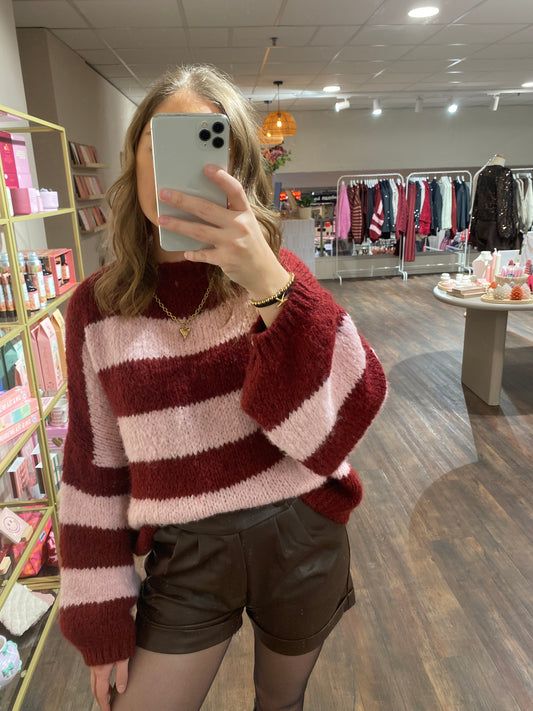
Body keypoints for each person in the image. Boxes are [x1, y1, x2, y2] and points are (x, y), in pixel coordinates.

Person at [58, 64, 387, 711]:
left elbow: (346, 414)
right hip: (186, 553)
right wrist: (100, 614)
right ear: (133, 159)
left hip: (299, 531)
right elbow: (94, 464)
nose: (177, 166)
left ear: (236, 165)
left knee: (280, 703)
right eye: (160, 142)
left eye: (207, 142)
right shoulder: (96, 308)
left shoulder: (276, 276)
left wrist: (270, 287)